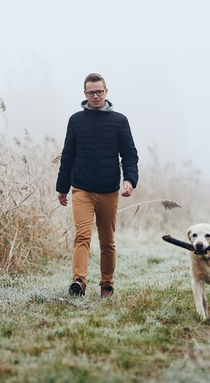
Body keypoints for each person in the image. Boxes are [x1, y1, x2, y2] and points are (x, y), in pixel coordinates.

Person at [56, 73, 139, 298]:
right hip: (81, 189)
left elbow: (130, 155)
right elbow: (68, 156)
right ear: (84, 94)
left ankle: (107, 285)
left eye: (99, 92)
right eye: (91, 92)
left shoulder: (119, 121)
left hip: (109, 191)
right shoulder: (76, 121)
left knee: (107, 242)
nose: (95, 96)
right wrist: (62, 187)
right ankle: (79, 281)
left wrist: (129, 179)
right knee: (82, 236)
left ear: (106, 92)